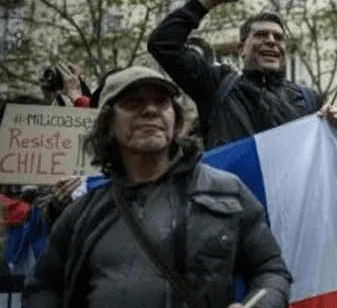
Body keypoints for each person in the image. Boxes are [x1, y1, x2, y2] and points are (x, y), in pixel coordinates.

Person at [24, 66, 292, 308]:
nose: (150, 110)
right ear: (108, 125)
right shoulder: (80, 215)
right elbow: (42, 288)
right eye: (133, 102)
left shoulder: (227, 191)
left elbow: (271, 269)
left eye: (161, 101)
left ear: (175, 120)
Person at [147, 0, 337, 149]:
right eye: (262, 35)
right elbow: (163, 43)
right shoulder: (216, 84)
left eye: (278, 38)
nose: (271, 41)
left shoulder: (309, 99)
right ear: (241, 48)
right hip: (231, 194)